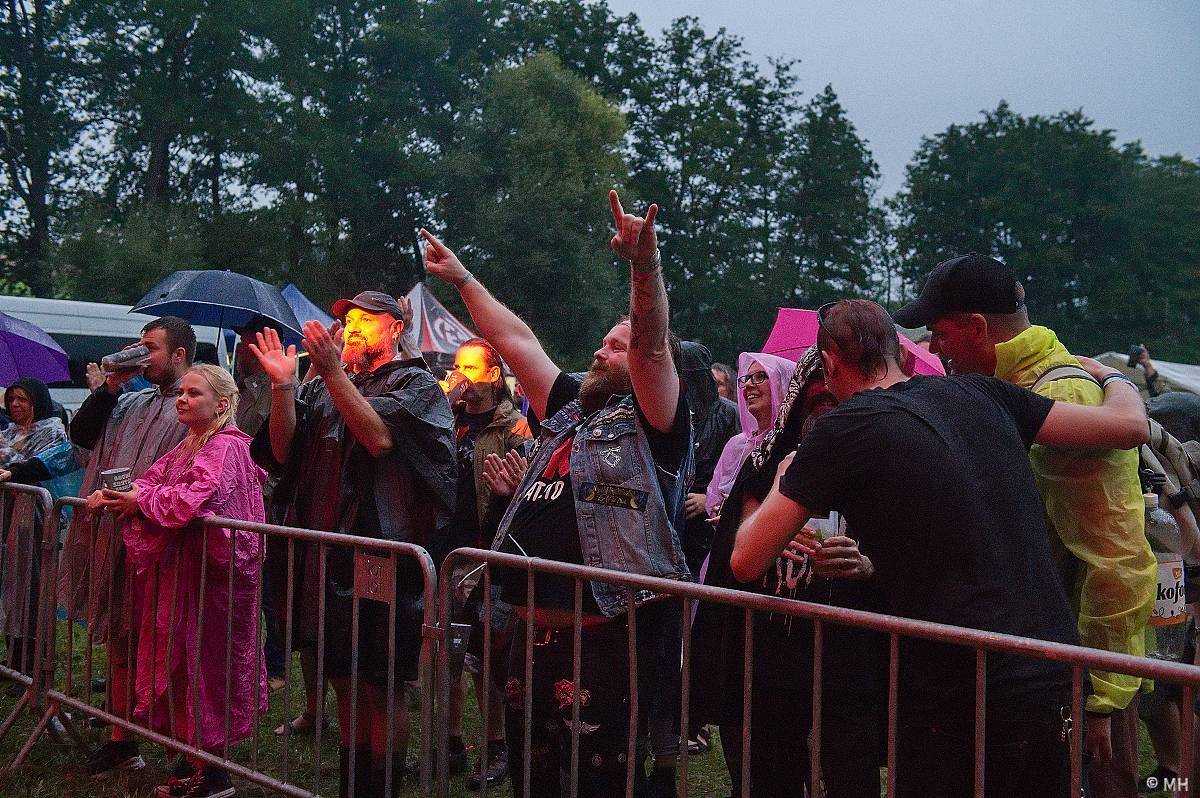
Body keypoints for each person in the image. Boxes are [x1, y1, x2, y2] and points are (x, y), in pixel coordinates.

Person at [731, 299, 1150, 798]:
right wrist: (1113, 378)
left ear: (830, 360)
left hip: (958, 694)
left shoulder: (844, 429)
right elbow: (1129, 427)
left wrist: (780, 481)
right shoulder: (985, 393)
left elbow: (746, 559)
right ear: (903, 357)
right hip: (1050, 672)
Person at [421, 189, 693, 798]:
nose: (601, 350)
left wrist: (643, 266)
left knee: (598, 785)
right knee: (532, 780)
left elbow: (651, 345)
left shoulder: (656, 424)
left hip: (604, 644)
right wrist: (463, 278)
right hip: (529, 637)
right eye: (603, 340)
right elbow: (517, 343)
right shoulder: (570, 409)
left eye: (614, 346)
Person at [894, 252, 1157, 796]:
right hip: (1042, 668)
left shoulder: (1064, 394)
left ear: (976, 327)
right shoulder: (1008, 386)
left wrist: (1101, 697)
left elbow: (1117, 557)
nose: (933, 349)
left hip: (1077, 677)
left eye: (939, 333)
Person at [249, 292, 456, 797]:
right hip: (325, 556)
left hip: (381, 554)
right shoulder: (323, 385)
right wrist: (283, 388)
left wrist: (332, 373)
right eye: (347, 320)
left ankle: (379, 786)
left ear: (397, 326)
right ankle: (351, 783)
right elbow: (281, 452)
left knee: (379, 683)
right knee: (341, 673)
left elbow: (380, 439)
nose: (353, 327)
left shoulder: (415, 383)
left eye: (367, 319)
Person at [693, 347, 884, 797]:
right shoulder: (764, 465)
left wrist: (867, 564)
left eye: (837, 405)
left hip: (846, 663)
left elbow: (908, 552)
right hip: (768, 663)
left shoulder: (878, 467)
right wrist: (766, 523)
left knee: (848, 779)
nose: (826, 418)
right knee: (766, 778)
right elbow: (734, 560)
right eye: (816, 405)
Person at [88, 364, 268, 798]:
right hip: (190, 580)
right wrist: (120, 494)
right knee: (187, 669)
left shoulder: (226, 447)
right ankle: (195, 765)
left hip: (215, 586)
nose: (182, 400)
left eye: (194, 394)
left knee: (209, 669)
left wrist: (139, 500)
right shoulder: (191, 442)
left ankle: (212, 773)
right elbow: (152, 482)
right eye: (181, 393)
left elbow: (190, 499)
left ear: (222, 404)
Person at [58, 316, 196, 779]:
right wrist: (110, 386)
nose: (141, 354)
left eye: (150, 347)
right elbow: (80, 436)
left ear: (178, 355)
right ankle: (122, 739)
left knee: (172, 650)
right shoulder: (132, 400)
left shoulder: (195, 402)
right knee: (120, 636)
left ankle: (188, 754)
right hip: (119, 536)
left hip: (167, 544)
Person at [444, 337, 531, 789]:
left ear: (494, 375)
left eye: (472, 369)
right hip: (445, 550)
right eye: (457, 367)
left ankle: (496, 745)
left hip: (488, 553)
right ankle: (453, 743)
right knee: (444, 651)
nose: (462, 377)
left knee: (486, 657)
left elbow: (519, 491)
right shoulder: (446, 420)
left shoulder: (514, 427)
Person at [0, 378, 81, 673]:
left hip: (37, 517)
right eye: (12, 399)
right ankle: (14, 655)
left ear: (38, 402)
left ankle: (35, 659)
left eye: (23, 399)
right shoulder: (8, 430)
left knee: (34, 585)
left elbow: (47, 465)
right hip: (10, 518)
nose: (15, 405)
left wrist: (10, 461)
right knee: (12, 585)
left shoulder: (52, 432)